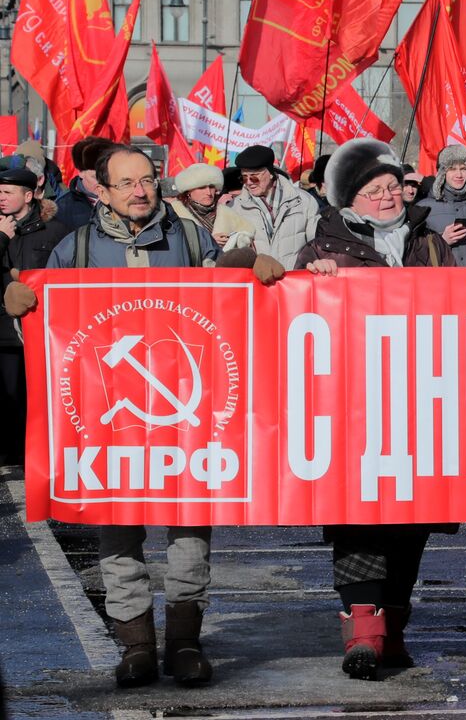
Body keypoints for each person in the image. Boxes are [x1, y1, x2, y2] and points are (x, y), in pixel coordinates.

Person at [18, 145, 282, 688]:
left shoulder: (187, 237)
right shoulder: (77, 247)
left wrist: (242, 266)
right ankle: (136, 646)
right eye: (127, 183)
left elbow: (222, 299)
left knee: (189, 532)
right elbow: (48, 339)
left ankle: (185, 643)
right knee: (117, 532)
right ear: (103, 190)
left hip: (188, 414)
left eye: (148, 180)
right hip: (106, 418)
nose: (140, 191)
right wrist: (23, 304)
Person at [294, 138, 457, 681]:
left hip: (423, 401)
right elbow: (295, 319)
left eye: (393, 186)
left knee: (412, 522)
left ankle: (395, 629)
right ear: (348, 198)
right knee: (359, 516)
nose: (388, 196)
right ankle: (363, 633)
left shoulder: (431, 243)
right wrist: (307, 285)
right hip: (353, 406)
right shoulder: (321, 248)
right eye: (373, 189)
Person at [0, 166, 70, 466]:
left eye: (7, 192)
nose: (0, 198)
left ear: (28, 196)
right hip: (3, 331)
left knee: (38, 397)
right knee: (7, 396)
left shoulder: (55, 230)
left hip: (41, 328)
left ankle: (35, 454)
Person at [228, 145, 321, 267]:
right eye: (244, 178)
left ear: (270, 173)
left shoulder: (304, 201)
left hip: (295, 281)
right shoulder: (234, 207)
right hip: (257, 282)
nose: (249, 183)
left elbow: (316, 245)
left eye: (254, 177)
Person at [168, 163, 255, 252]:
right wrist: (208, 241)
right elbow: (172, 246)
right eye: (202, 188)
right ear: (188, 191)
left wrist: (236, 240)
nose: (209, 192)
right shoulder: (174, 214)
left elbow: (249, 235)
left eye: (211, 187)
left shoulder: (228, 214)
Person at [55, 136, 118, 230]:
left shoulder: (124, 198)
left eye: (107, 176)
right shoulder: (63, 207)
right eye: (95, 177)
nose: (102, 182)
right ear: (81, 172)